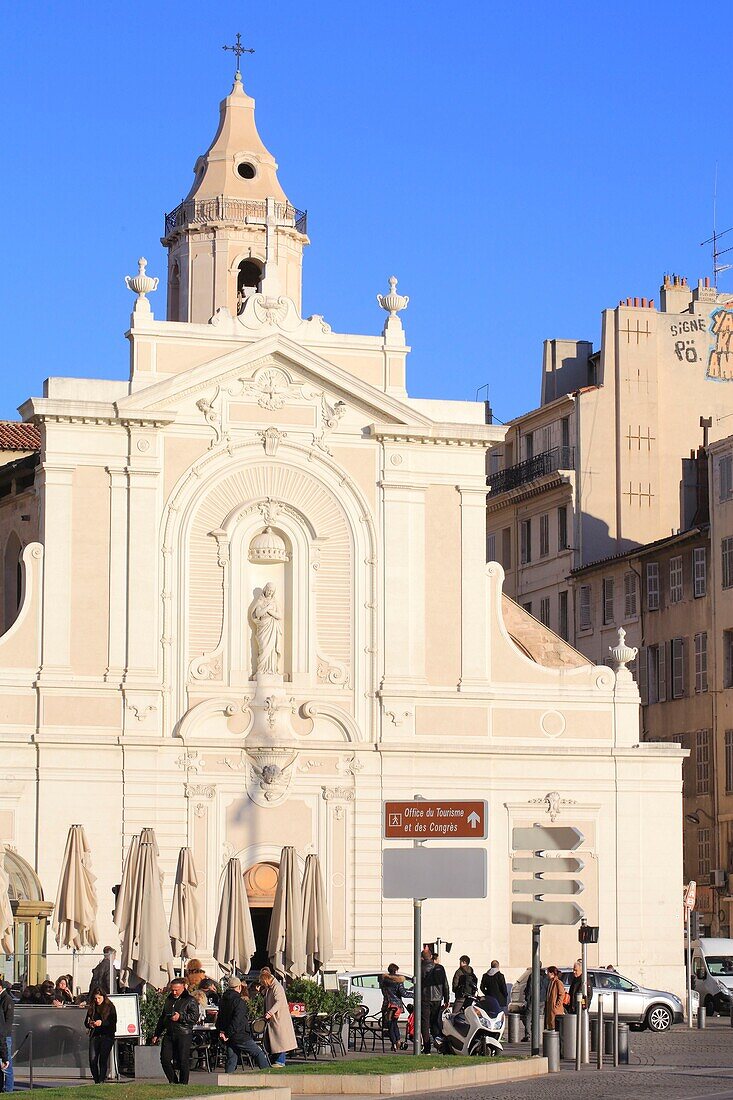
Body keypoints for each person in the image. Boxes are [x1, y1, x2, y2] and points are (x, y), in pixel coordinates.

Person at [152, 977, 199, 1084]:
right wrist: (157, 1034)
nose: (174, 992)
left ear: (183, 988)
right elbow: (162, 1017)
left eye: (176, 990)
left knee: (183, 1060)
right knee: (165, 1060)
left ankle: (183, 1083)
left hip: (184, 1033)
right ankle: (173, 1081)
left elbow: (194, 1017)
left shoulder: (190, 1000)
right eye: (172, 989)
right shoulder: (169, 999)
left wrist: (181, 1017)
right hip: (169, 1033)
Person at [218, 976, 269, 1072]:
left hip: (228, 1034)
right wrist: (228, 1034)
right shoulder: (239, 1001)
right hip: (239, 1034)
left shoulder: (223, 1000)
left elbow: (220, 1018)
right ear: (239, 987)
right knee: (258, 1053)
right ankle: (268, 1073)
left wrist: (223, 1032)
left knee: (232, 1059)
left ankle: (227, 1080)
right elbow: (237, 1020)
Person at [259, 966, 297, 1067]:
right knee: (276, 1040)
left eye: (263, 982)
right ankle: (276, 1059)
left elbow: (279, 1001)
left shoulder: (277, 987)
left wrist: (270, 1012)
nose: (263, 984)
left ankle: (280, 1061)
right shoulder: (271, 987)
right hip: (274, 1018)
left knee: (280, 1040)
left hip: (279, 1018)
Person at [420, 947, 450, 1054]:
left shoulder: (420, 968)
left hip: (424, 998)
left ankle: (427, 1048)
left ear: (422, 958)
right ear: (431, 956)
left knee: (425, 1023)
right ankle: (440, 1045)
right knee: (435, 1022)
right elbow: (445, 984)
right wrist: (447, 999)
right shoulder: (440, 968)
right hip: (437, 998)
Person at [85, 989, 117, 1084]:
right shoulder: (92, 1007)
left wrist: (102, 1023)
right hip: (95, 1035)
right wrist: (90, 1024)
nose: (97, 1000)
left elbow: (112, 1022)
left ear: (103, 997)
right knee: (92, 1060)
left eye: (99, 998)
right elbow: (86, 1022)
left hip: (107, 1035)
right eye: (95, 998)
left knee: (103, 1059)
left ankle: (101, 1080)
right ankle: (96, 1080)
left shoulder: (110, 1007)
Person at [379, 963, 405, 1051]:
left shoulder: (384, 981)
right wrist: (414, 994)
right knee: (394, 1023)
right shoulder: (398, 981)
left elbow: (384, 993)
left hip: (388, 1005)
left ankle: (394, 1042)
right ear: (396, 970)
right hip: (397, 1005)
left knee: (390, 1025)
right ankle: (397, 1040)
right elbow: (403, 993)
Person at [523, 965, 548, 1043]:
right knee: (539, 1018)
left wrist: (527, 998)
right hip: (542, 999)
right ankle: (538, 1034)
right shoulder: (545, 976)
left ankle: (528, 1035)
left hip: (533, 999)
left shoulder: (532, 975)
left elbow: (530, 988)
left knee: (528, 1017)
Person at [0, 979, 14, 1093]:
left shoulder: (6, 999)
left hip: (4, 1035)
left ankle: (9, 1089)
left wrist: (4, 1034)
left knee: (7, 1065)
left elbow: (8, 1020)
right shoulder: (4, 999)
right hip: (3, 1035)